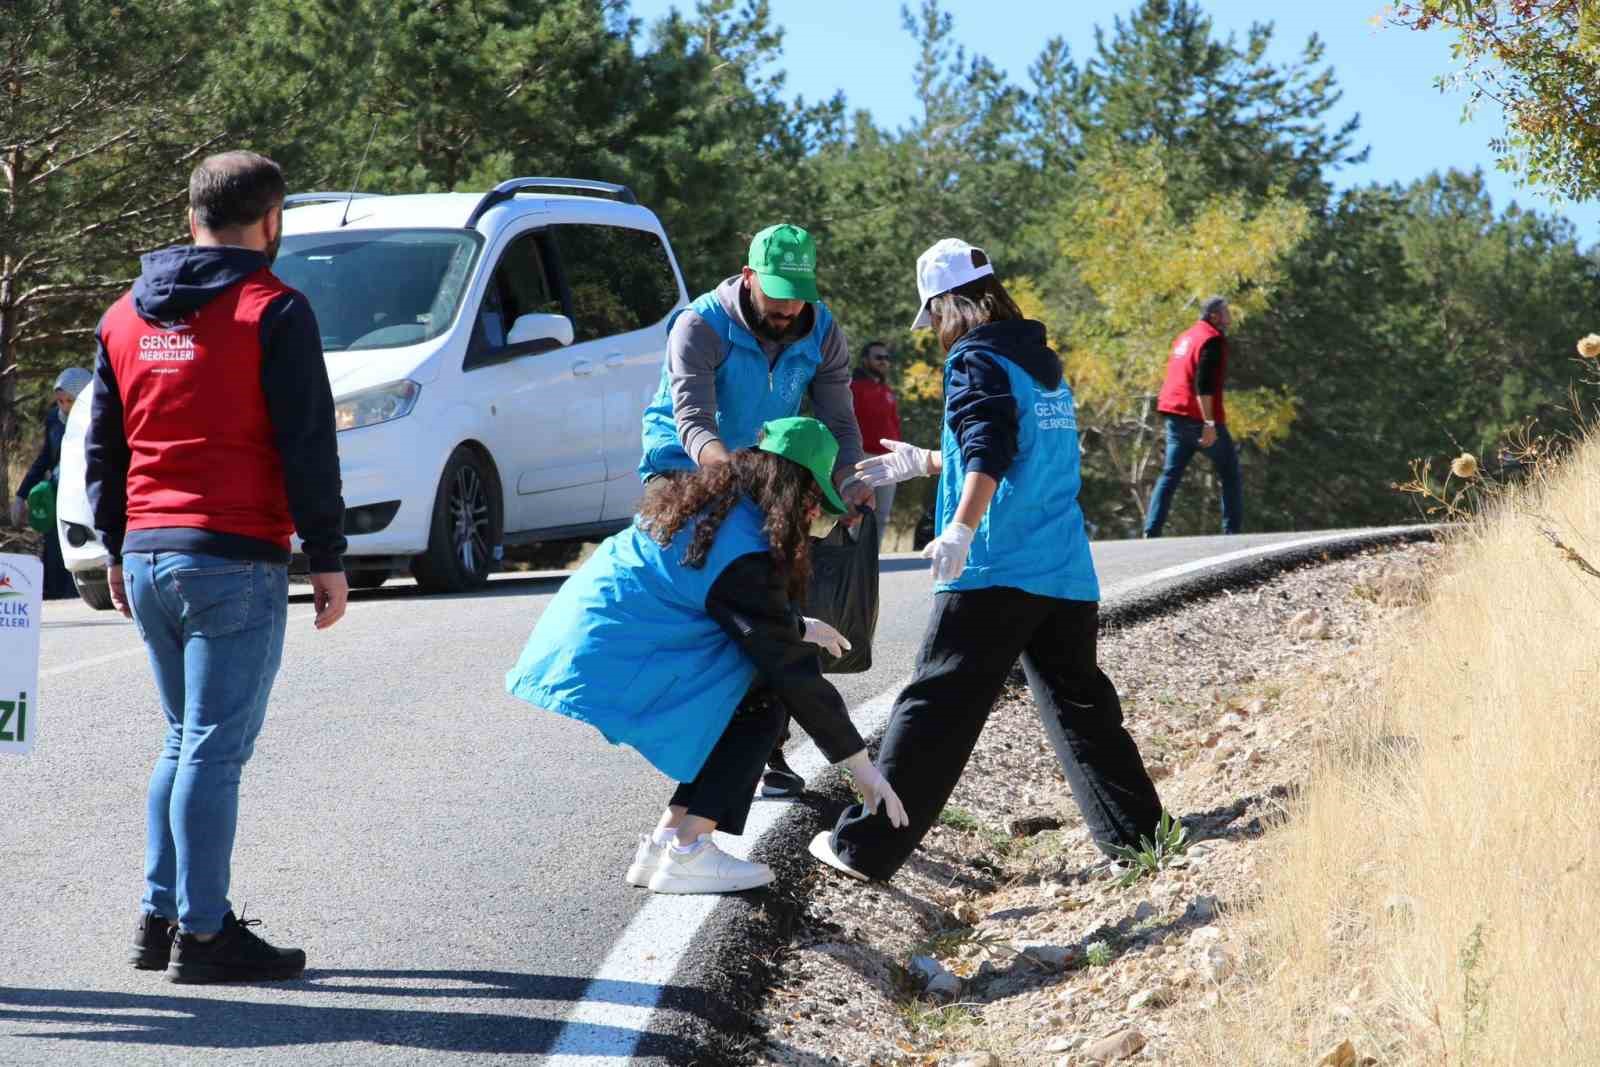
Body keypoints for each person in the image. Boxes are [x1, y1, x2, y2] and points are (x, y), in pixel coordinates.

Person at [808, 238, 1164, 883]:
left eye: (934, 317)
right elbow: (1004, 446)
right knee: (1079, 704)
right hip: (1061, 567)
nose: (935, 331)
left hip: (996, 566)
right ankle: (1141, 836)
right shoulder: (1040, 362)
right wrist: (925, 461)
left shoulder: (975, 359)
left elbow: (991, 447)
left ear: (949, 304)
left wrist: (961, 530)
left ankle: (864, 848)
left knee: (934, 706)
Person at [84, 150, 348, 983]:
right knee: (210, 748)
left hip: (153, 551)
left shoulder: (124, 315)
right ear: (270, 221)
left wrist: (117, 545)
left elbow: (103, 449)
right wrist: (329, 556)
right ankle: (203, 934)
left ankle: (159, 916)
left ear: (190, 212)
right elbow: (309, 443)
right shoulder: (274, 307)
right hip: (232, 555)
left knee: (183, 738)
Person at [508, 416, 907, 894]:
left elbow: (709, 596)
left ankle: (667, 840)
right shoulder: (744, 548)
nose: (815, 520)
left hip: (592, 634)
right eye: (816, 504)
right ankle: (689, 850)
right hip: (618, 649)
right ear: (792, 490)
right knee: (762, 700)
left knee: (747, 691)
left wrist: (799, 626)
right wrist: (862, 770)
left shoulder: (717, 505)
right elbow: (789, 670)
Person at [638, 223, 871, 799]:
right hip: (688, 471)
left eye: (799, 293)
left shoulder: (821, 328)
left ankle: (767, 753)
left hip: (768, 468)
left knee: (777, 608)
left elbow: (840, 421)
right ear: (748, 278)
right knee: (727, 615)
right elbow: (693, 420)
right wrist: (728, 482)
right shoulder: (699, 324)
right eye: (776, 293)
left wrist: (849, 482)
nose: (789, 307)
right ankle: (706, 741)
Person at [1142, 296, 1243, 538]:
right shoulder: (1212, 340)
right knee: (1229, 471)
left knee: (1170, 474)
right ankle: (1232, 533)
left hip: (1175, 415)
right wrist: (1209, 424)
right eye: (1226, 311)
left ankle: (1150, 531)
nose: (1229, 315)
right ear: (1214, 316)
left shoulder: (1185, 337)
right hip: (1198, 417)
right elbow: (1204, 384)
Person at [13, 367, 93, 599]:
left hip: (88, 494)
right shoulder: (54, 420)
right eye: (60, 401)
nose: (65, 407)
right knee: (55, 545)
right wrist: (20, 495)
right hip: (59, 493)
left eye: (71, 400)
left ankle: (80, 594)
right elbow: (45, 458)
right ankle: (56, 595)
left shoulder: (100, 421)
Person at [849, 340, 903, 532]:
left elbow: (894, 425)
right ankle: (851, 561)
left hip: (889, 460)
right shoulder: (853, 388)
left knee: (881, 516)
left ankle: (872, 561)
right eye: (878, 357)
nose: (883, 361)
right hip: (864, 458)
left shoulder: (887, 391)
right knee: (858, 513)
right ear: (865, 360)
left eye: (886, 358)